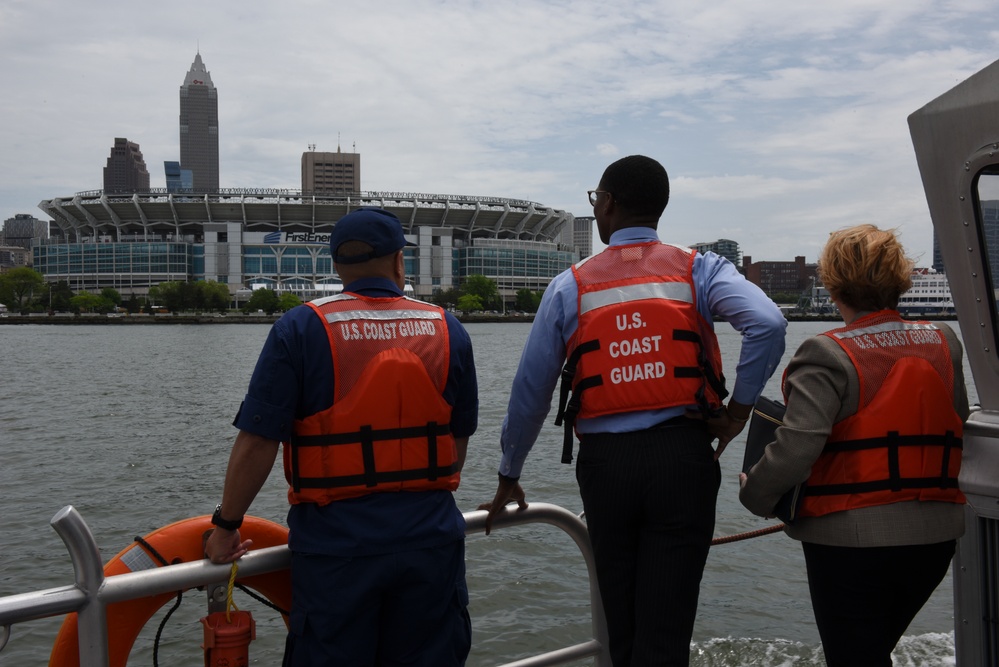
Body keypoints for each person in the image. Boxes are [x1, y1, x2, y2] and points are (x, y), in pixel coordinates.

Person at [479, 155, 787, 666]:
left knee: (621, 631)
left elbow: (530, 391)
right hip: (683, 460)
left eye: (596, 199)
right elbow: (768, 324)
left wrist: (509, 472)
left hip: (608, 469)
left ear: (609, 203)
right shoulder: (699, 270)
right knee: (665, 635)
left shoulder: (569, 286)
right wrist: (737, 414)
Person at [205, 207, 478, 667]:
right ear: (399, 262)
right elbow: (457, 446)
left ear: (336, 265)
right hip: (430, 543)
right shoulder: (446, 329)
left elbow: (257, 442)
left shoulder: (299, 328)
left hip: (336, 551)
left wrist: (226, 526)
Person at [739, 224, 969, 667]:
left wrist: (756, 494)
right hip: (936, 539)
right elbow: (956, 422)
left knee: (853, 655)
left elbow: (796, 448)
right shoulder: (945, 340)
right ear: (901, 280)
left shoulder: (824, 353)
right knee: (869, 652)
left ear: (831, 282)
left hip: (849, 545)